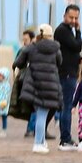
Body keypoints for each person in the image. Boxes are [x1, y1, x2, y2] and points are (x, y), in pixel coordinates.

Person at [14, 23, 62, 154]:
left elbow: (18, 62)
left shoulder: (31, 48)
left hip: (35, 83)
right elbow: (59, 62)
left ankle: (40, 141)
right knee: (43, 113)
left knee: (40, 113)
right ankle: (38, 143)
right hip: (50, 83)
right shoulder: (56, 49)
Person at [53, 5, 82, 150]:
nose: (73, 20)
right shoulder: (62, 31)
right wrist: (78, 31)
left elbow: (71, 51)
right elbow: (77, 46)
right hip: (66, 74)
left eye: (76, 18)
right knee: (67, 106)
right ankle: (65, 139)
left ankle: (64, 138)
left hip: (68, 72)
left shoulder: (65, 31)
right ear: (64, 16)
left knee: (63, 106)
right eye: (71, 17)